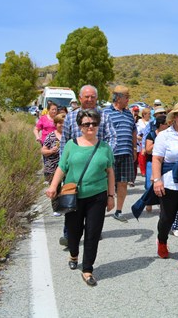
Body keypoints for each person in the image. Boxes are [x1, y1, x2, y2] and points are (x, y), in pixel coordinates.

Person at [45, 108, 115, 287]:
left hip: (97, 196)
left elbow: (110, 171)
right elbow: (61, 168)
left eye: (94, 123)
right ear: (80, 126)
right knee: (74, 231)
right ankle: (74, 254)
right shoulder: (70, 145)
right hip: (73, 196)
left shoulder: (104, 147)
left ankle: (88, 269)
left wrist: (110, 195)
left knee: (92, 233)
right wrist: (53, 186)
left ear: (98, 125)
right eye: (86, 124)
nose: (90, 126)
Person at [60, 84, 116, 246]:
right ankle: (69, 235)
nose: (90, 99)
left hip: (97, 170)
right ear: (80, 98)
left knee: (94, 201)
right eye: (86, 97)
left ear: (96, 98)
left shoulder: (104, 117)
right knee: (71, 201)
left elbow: (112, 138)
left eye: (93, 97)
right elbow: (64, 141)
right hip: (74, 170)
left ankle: (92, 233)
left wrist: (104, 156)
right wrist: (65, 164)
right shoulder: (70, 117)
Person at [152, 102, 178, 267]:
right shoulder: (164, 135)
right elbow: (157, 159)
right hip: (168, 183)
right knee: (166, 218)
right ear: (173, 117)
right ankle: (162, 240)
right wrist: (156, 180)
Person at [103, 85, 137, 222]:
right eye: (126, 97)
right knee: (106, 183)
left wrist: (134, 149)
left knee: (123, 183)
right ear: (118, 97)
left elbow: (133, 132)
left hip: (126, 153)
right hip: (109, 154)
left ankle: (119, 210)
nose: (128, 100)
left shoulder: (129, 113)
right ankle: (102, 208)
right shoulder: (105, 112)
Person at [41, 113, 65, 184]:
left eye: (64, 123)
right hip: (52, 170)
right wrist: (51, 151)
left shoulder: (69, 136)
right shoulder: (51, 136)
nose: (62, 125)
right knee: (55, 192)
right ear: (55, 124)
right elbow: (43, 151)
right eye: (60, 123)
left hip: (66, 170)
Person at [136, 107, 151, 177]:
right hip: (141, 142)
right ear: (144, 114)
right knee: (142, 157)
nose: (149, 115)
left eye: (150, 114)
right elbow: (136, 134)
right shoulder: (139, 122)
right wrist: (142, 139)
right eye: (148, 114)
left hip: (150, 141)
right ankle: (143, 171)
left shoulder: (151, 122)